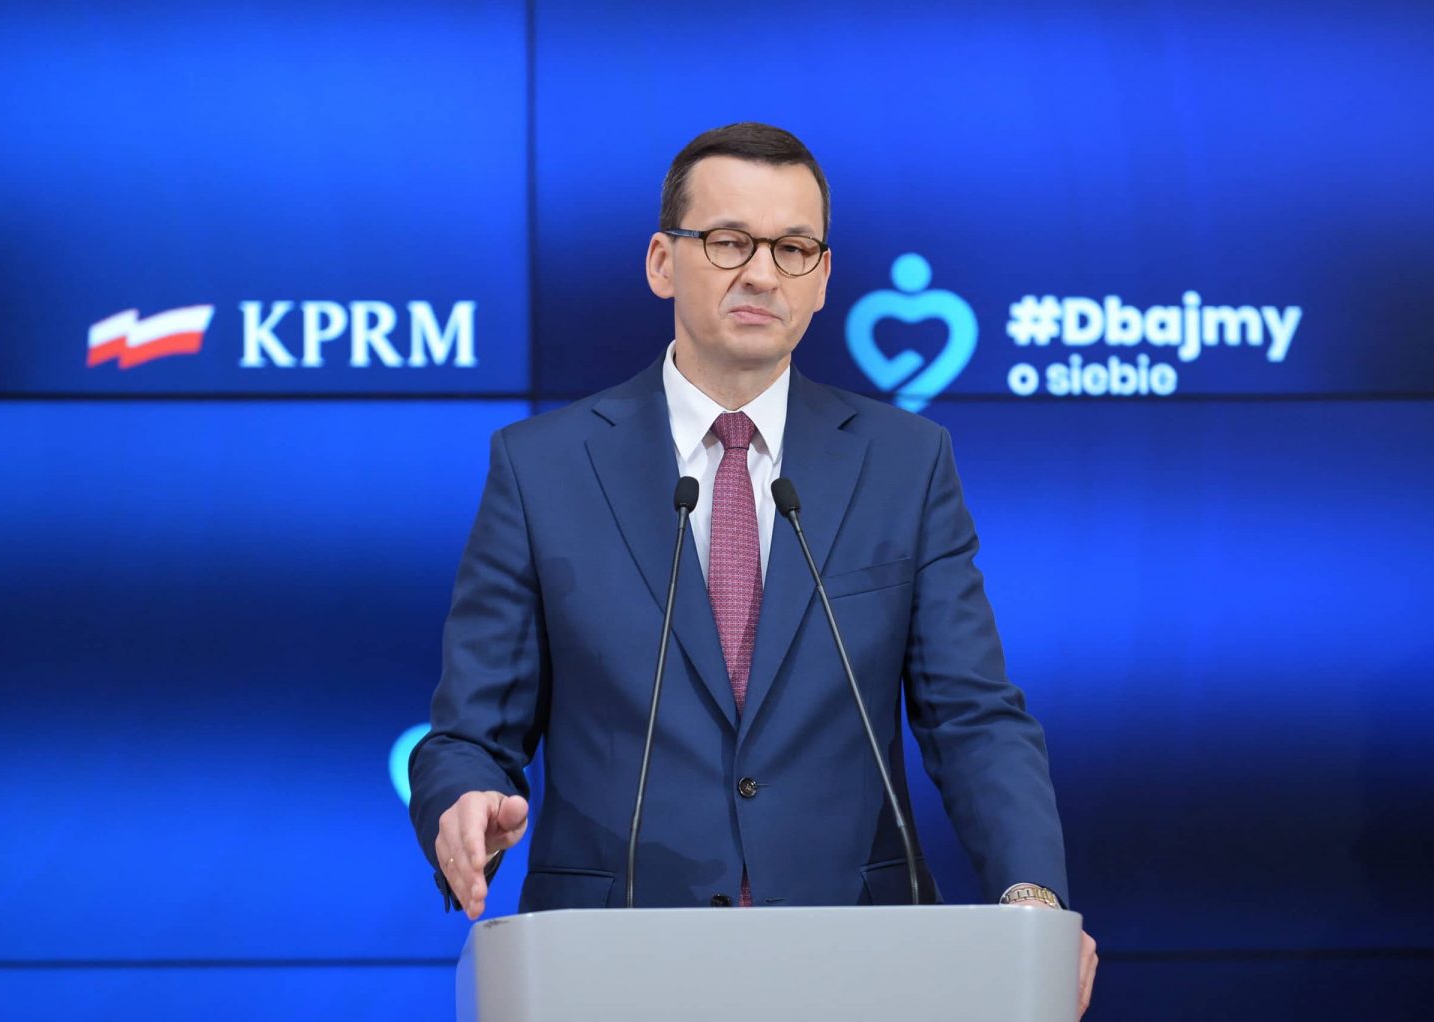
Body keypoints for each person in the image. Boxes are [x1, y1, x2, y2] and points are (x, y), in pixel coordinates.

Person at [409, 122, 1097, 1016]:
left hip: (859, 962)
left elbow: (973, 717)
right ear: (663, 261)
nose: (763, 274)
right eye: (729, 242)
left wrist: (1032, 900)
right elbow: (469, 734)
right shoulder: (542, 467)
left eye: (793, 248)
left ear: (823, 278)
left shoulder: (905, 462)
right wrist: (464, 802)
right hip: (610, 964)